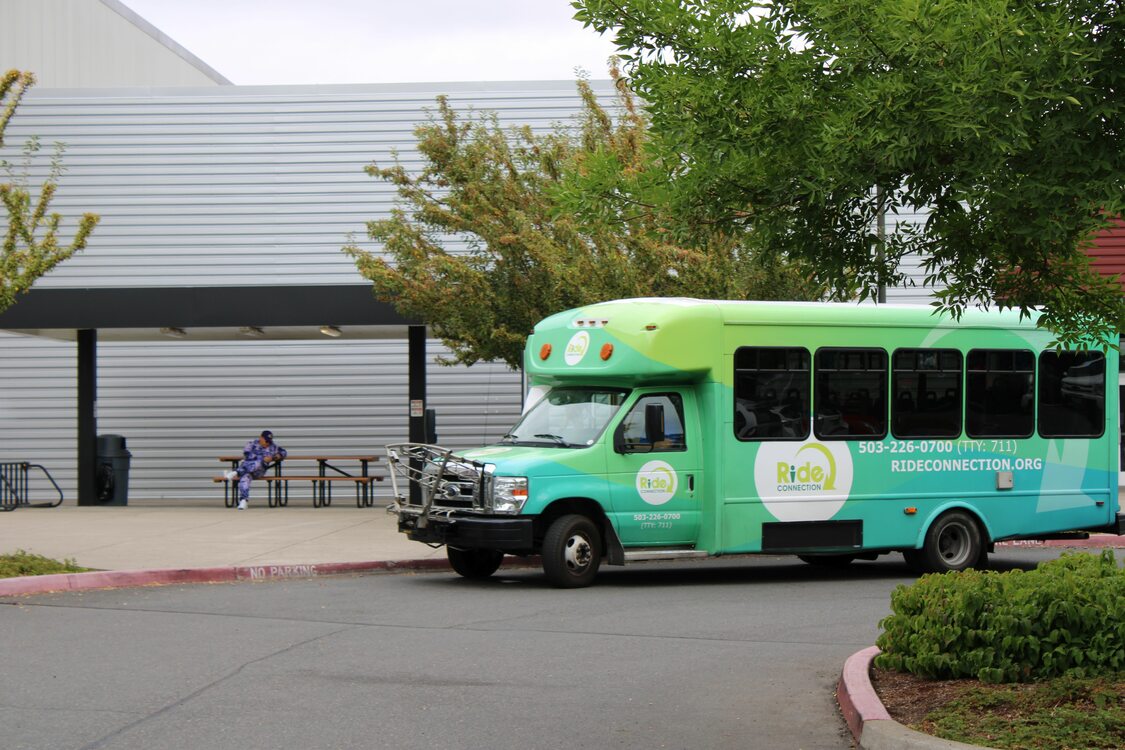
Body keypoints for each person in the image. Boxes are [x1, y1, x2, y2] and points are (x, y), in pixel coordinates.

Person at [224, 430, 287, 510]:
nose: (268, 443)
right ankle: (244, 500)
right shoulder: (251, 444)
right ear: (261, 438)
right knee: (245, 477)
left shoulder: (273, 446)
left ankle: (236, 472)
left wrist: (274, 457)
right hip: (248, 469)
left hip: (259, 471)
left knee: (258, 463)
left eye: (269, 441)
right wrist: (263, 458)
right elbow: (247, 455)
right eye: (266, 441)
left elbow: (284, 452)